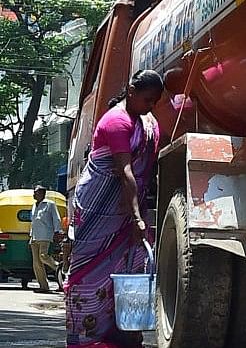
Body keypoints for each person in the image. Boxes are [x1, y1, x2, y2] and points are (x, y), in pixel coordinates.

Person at [66, 70, 164, 348]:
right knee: (90, 271)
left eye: (155, 102)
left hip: (129, 207)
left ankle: (124, 333)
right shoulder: (116, 121)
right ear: (131, 91)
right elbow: (126, 173)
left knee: (133, 267)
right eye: (147, 100)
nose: (151, 106)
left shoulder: (145, 123)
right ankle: (85, 338)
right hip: (99, 209)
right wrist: (136, 219)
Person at [29, 185, 62, 293]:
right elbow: (33, 221)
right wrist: (31, 236)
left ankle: (58, 268)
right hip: (34, 236)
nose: (34, 194)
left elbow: (56, 219)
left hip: (45, 235)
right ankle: (43, 286)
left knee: (43, 257)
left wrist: (57, 232)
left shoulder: (49, 204)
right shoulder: (34, 205)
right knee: (36, 263)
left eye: (36, 192)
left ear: (42, 194)